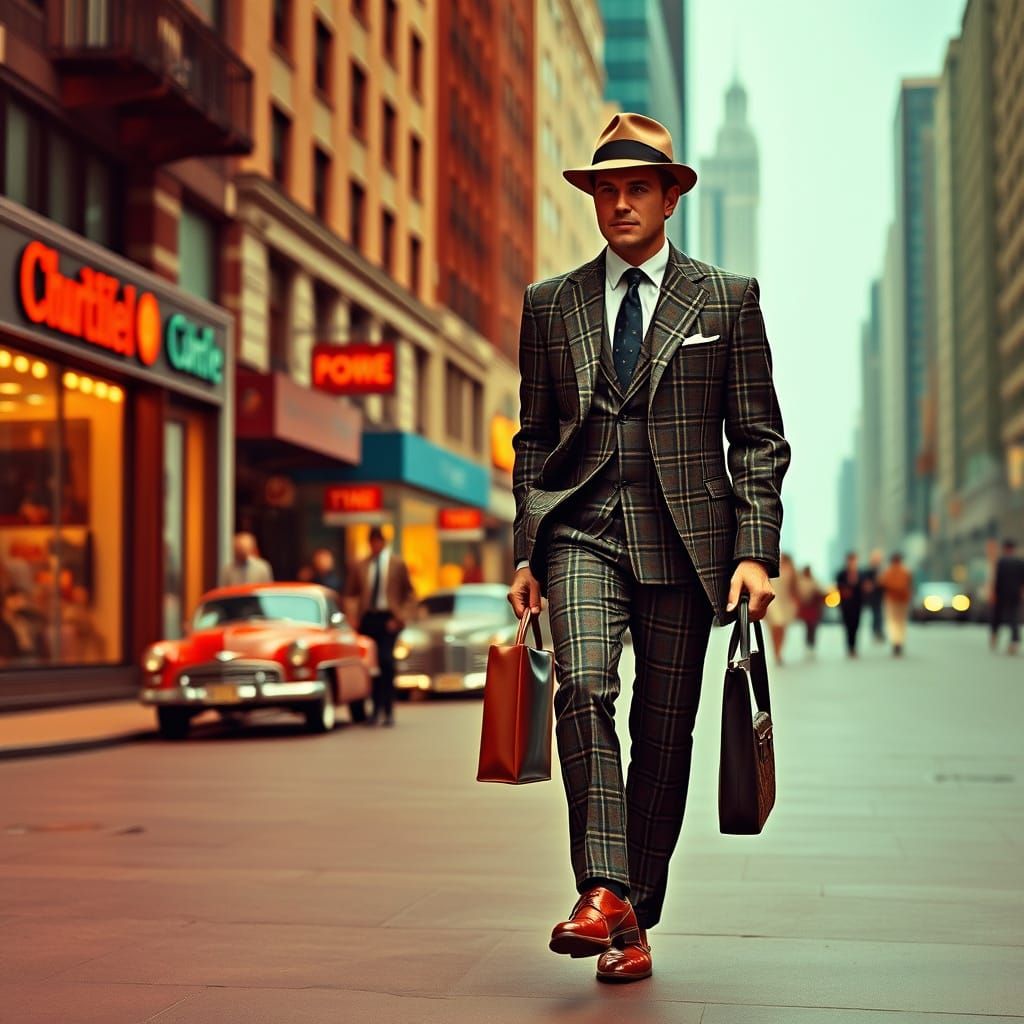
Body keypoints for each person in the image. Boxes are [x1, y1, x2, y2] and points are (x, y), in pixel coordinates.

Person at [506, 113, 790, 984]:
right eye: (606, 189)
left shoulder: (725, 298)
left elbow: (758, 437)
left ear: (671, 197)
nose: (620, 203)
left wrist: (756, 550)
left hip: (686, 543)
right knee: (584, 685)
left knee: (663, 739)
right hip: (581, 529)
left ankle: (632, 917)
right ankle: (600, 886)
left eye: (637, 187)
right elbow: (533, 436)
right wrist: (526, 549)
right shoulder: (549, 304)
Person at [346, 527, 416, 725]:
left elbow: (409, 594)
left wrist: (400, 618)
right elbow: (351, 594)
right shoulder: (361, 565)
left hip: (389, 619)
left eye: (378, 542)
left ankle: (388, 709)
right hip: (368, 619)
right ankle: (375, 710)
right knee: (372, 666)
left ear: (383, 543)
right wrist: (353, 616)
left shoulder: (397, 564)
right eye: (372, 542)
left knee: (386, 661)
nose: (375, 546)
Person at [990, 539, 1024, 654]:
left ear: (1005, 549)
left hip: (1002, 594)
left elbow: (998, 580)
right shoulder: (1020, 562)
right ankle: (1014, 641)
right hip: (1015, 594)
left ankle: (994, 636)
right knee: (1013, 617)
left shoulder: (1002, 562)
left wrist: (994, 593)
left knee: (997, 616)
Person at [876, 552, 913, 656]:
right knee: (901, 622)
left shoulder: (888, 572)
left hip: (891, 600)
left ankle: (895, 641)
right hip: (902, 600)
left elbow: (881, 583)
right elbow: (909, 584)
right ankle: (899, 641)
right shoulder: (905, 571)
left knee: (892, 622)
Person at [764, 553, 797, 665]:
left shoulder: (791, 570)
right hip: (773, 601)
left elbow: (794, 587)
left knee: (782, 628)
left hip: (786, 602)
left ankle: (779, 650)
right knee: (776, 626)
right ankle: (776, 651)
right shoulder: (771, 567)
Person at [836, 552, 866, 657]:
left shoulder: (861, 574)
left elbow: (864, 587)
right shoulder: (841, 574)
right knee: (848, 626)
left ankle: (854, 646)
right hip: (846, 604)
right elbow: (838, 587)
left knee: (856, 625)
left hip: (857, 604)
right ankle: (849, 647)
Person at [794, 565, 825, 656]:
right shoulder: (800, 581)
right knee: (808, 626)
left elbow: (820, 591)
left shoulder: (815, 581)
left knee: (813, 626)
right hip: (806, 607)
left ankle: (812, 643)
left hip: (813, 607)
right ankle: (808, 643)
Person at [864, 548, 885, 643]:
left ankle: (879, 631)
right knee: (876, 615)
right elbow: (866, 584)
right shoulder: (868, 571)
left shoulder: (882, 570)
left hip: (880, 596)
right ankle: (876, 632)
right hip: (873, 597)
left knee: (879, 615)